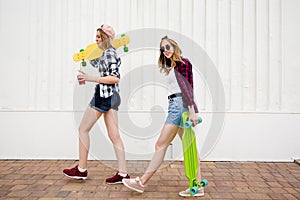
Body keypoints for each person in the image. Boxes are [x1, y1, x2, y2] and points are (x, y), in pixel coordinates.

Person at [122, 36, 204, 197]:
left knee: (160, 145)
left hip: (180, 105)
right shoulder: (174, 66)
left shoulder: (183, 63)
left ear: (174, 46)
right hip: (177, 105)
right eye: (162, 49)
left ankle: (142, 182)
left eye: (167, 47)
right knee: (190, 147)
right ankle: (198, 186)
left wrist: (192, 111)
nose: (165, 51)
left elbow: (187, 88)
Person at [63, 24, 130, 184]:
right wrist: (86, 55)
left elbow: (115, 77)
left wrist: (90, 78)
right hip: (112, 96)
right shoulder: (106, 53)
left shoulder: (110, 53)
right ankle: (123, 173)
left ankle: (81, 169)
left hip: (104, 96)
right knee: (114, 136)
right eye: (96, 37)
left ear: (106, 38)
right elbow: (97, 63)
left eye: (99, 37)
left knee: (83, 129)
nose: (96, 39)